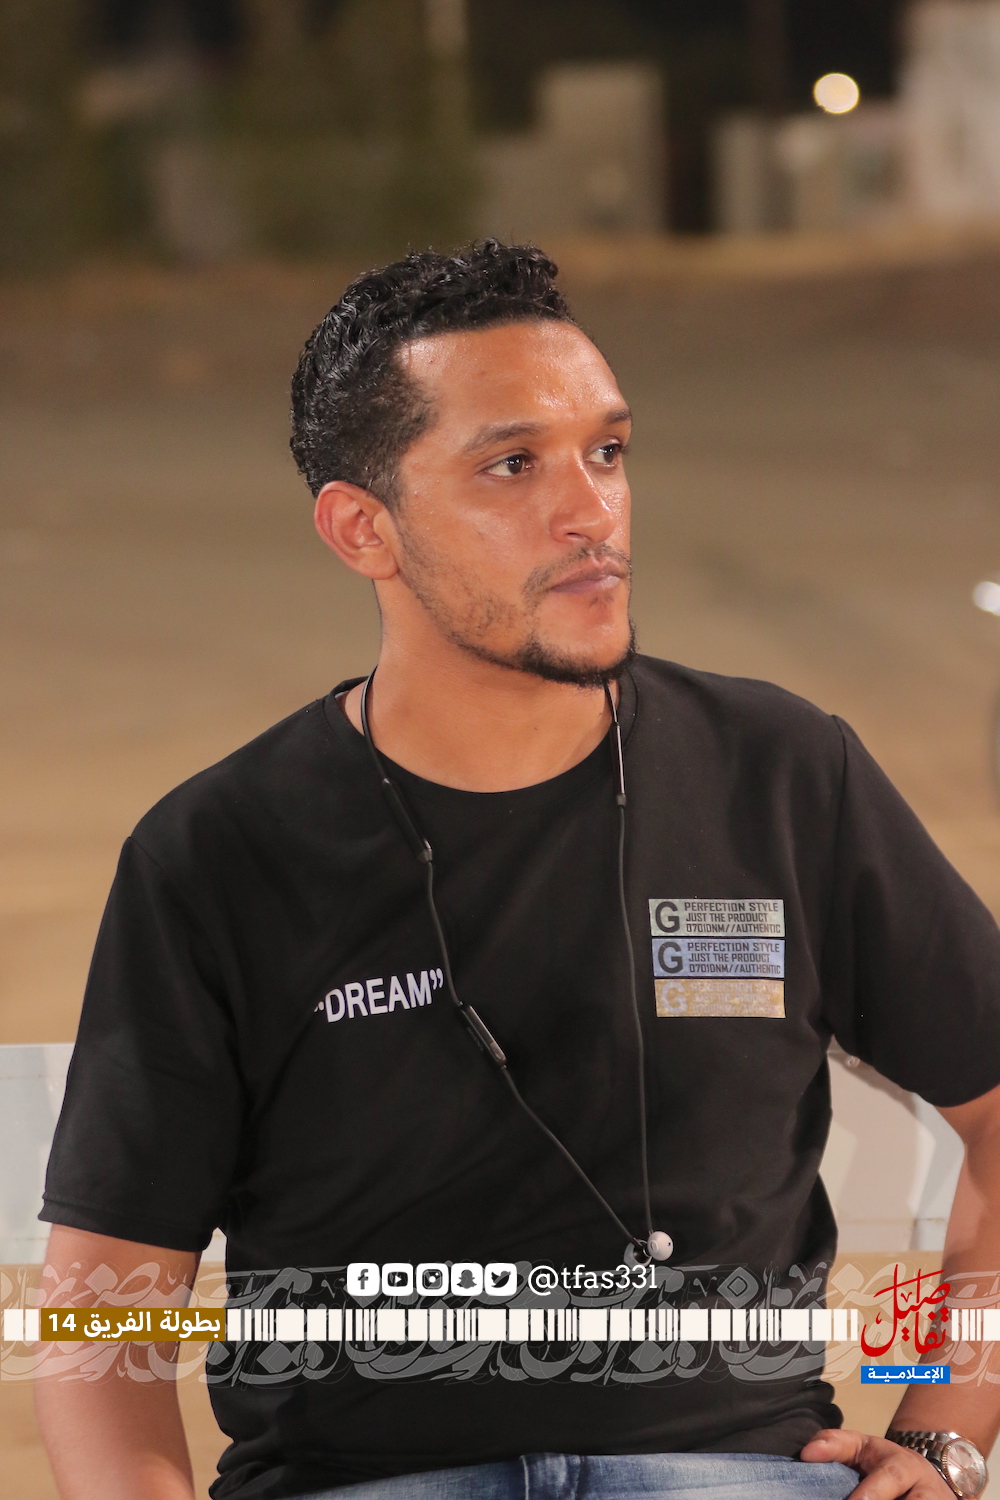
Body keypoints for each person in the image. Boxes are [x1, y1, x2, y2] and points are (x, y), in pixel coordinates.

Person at [35, 241, 1000, 1500]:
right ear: (363, 528)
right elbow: (103, 1307)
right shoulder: (219, 853)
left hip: (726, 1472)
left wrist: (944, 1435)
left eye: (608, 451)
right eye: (512, 465)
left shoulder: (778, 776)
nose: (591, 509)